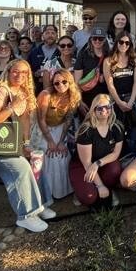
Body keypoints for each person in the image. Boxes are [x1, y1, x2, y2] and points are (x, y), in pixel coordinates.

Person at [0, 59, 55, 233]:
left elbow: (25, 120)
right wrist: (11, 108)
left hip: (13, 142)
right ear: (8, 72)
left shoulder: (25, 92)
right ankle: (26, 216)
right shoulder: (1, 91)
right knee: (20, 170)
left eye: (24, 72)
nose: (20, 75)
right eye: (16, 71)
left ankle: (38, 207)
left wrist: (26, 144)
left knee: (32, 166)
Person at [35, 68, 80, 204]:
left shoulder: (74, 96)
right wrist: (50, 141)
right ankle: (46, 194)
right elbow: (40, 120)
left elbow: (68, 120)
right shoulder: (45, 95)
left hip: (61, 128)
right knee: (50, 154)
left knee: (63, 153)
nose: (61, 85)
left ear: (70, 82)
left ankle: (63, 190)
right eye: (56, 83)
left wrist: (60, 141)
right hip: (43, 129)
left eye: (64, 82)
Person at [71, 94, 124, 209]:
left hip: (99, 163)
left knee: (114, 170)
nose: (104, 110)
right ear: (93, 110)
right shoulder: (86, 130)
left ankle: (108, 188)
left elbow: (115, 153)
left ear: (111, 108)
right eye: (99, 108)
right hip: (82, 165)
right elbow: (86, 163)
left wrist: (98, 163)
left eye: (107, 107)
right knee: (89, 196)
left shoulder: (117, 127)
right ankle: (82, 191)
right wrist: (99, 185)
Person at [103, 31, 136, 155]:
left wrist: (131, 101)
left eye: (127, 43)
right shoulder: (108, 60)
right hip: (115, 99)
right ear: (117, 42)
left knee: (133, 128)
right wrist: (119, 102)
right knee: (117, 128)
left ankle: (133, 154)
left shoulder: (134, 58)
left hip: (131, 98)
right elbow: (110, 84)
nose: (124, 45)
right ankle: (118, 155)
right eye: (121, 42)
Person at [75, 27, 109, 113]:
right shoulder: (83, 55)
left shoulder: (109, 55)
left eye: (100, 38)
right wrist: (80, 101)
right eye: (95, 38)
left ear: (104, 40)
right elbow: (77, 82)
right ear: (90, 39)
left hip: (104, 99)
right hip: (87, 98)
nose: (97, 41)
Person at [28, 24, 60, 93]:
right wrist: (34, 73)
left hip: (59, 87)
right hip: (38, 88)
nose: (50, 35)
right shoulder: (34, 52)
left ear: (57, 35)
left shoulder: (62, 50)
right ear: (43, 35)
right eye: (47, 33)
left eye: (53, 33)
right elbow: (28, 68)